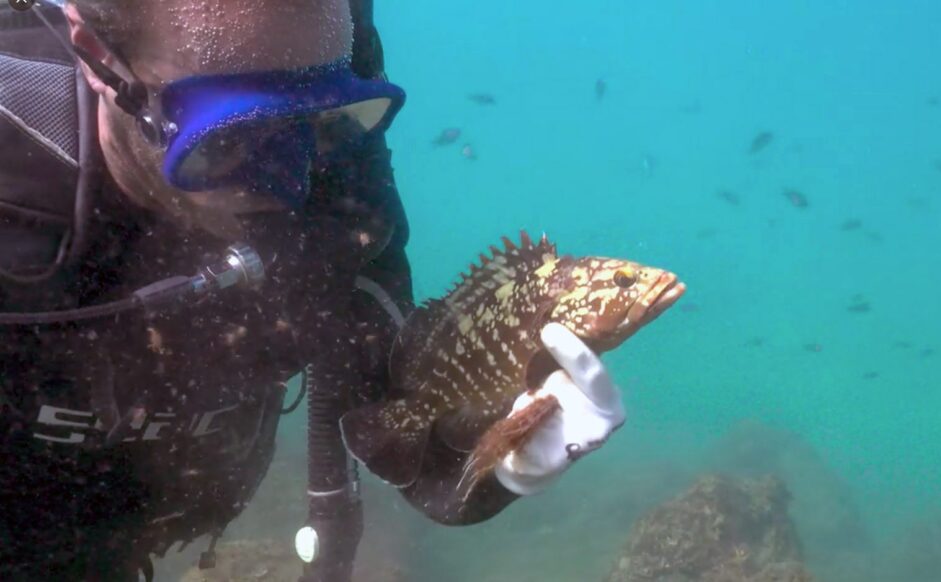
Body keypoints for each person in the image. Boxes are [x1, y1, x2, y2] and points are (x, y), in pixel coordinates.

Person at [0, 1, 628, 580]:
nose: (290, 183)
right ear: (98, 59)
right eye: (230, 135)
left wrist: (506, 460)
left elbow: (401, 426)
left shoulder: (339, 186)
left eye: (322, 122)